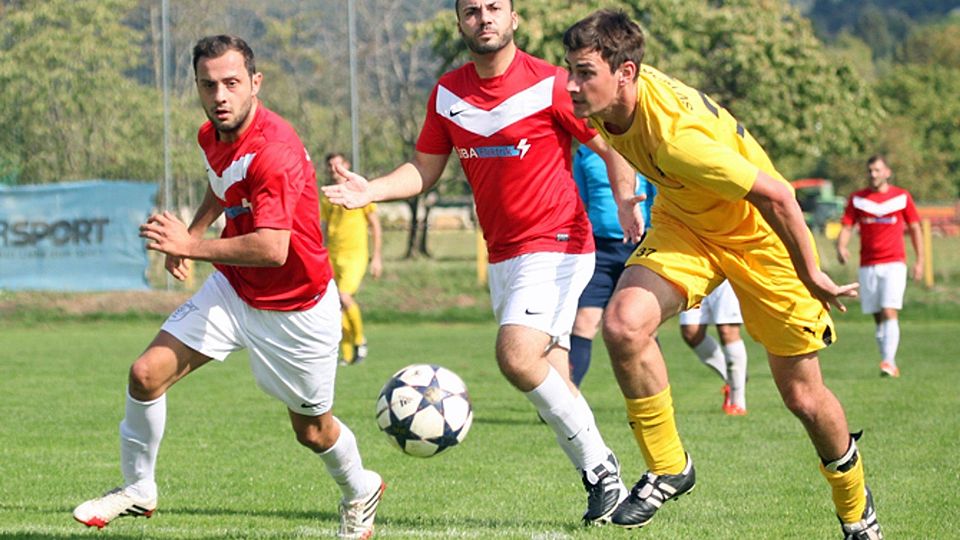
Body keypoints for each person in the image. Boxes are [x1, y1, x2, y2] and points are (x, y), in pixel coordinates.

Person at [562, 10, 883, 539]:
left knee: (803, 397)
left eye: (583, 73)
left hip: (760, 238)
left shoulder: (677, 139)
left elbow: (779, 195)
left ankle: (856, 510)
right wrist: (625, 198)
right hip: (685, 224)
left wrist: (813, 273)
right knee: (623, 326)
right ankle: (669, 466)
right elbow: (609, 141)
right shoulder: (601, 101)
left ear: (626, 73)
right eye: (570, 70)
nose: (571, 84)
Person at [323, 0, 638, 526]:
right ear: (460, 22)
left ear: (515, 19)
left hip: (559, 241)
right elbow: (423, 170)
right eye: (472, 10)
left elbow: (613, 145)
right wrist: (370, 188)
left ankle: (603, 472)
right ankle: (606, 480)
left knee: (516, 356)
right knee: (553, 377)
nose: (484, 17)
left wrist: (627, 198)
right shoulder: (448, 93)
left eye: (495, 7)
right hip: (505, 255)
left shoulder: (554, 84)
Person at [72, 35, 385, 540]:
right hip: (235, 291)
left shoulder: (275, 150)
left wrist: (189, 246)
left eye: (232, 83)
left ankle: (359, 488)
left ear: (255, 84)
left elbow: (272, 249)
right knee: (145, 374)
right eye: (208, 84)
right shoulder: (210, 135)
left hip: (296, 308)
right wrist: (190, 235)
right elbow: (221, 187)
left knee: (311, 431)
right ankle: (138, 489)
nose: (220, 95)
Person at [570, 144, 655, 387]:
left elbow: (658, 201)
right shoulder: (585, 154)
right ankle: (565, 401)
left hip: (639, 247)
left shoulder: (641, 149)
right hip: (600, 252)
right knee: (584, 322)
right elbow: (581, 203)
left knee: (643, 326)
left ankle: (654, 393)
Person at [837, 154, 923, 378]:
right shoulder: (858, 199)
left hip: (894, 263)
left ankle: (888, 362)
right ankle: (886, 358)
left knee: (888, 309)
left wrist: (920, 260)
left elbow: (915, 228)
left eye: (877, 170)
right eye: (870, 171)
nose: (873, 175)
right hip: (868, 265)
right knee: (877, 315)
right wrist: (841, 246)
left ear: (887, 172)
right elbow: (847, 226)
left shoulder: (902, 197)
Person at [321, 152, 384, 365]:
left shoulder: (359, 191)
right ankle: (347, 354)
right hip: (332, 255)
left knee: (344, 296)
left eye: (337, 164)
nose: (333, 169)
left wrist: (376, 257)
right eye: (330, 165)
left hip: (355, 255)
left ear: (346, 165)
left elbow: (375, 225)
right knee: (335, 305)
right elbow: (324, 227)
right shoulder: (328, 195)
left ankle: (360, 340)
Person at [678, 280, 749, 415]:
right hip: (693, 271)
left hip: (725, 273)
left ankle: (737, 403)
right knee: (691, 332)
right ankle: (734, 378)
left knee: (727, 331)